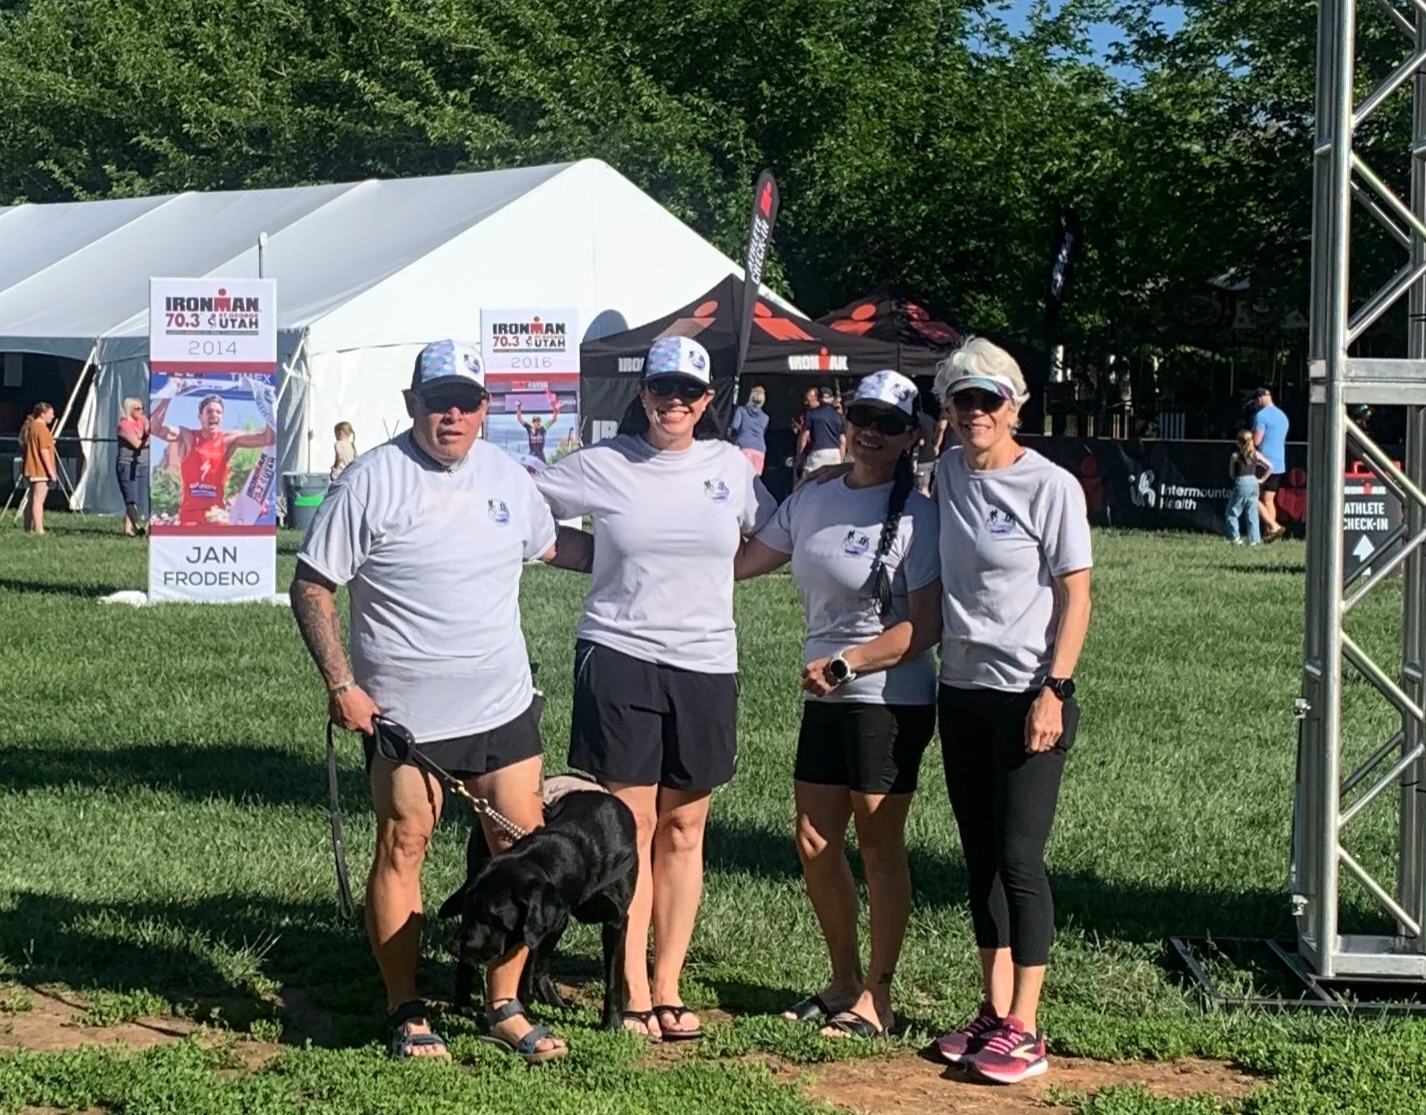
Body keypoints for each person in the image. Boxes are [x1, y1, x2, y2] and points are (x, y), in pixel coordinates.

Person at [290, 340, 581, 1065]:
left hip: (504, 707)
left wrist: (660, 553)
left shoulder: (508, 477)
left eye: (465, 401)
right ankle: (407, 1008)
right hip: (405, 721)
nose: (450, 414)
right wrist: (340, 684)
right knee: (404, 847)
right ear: (411, 404)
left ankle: (504, 1003)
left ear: (486, 408)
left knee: (520, 854)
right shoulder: (370, 479)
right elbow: (313, 584)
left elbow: (554, 549)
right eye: (436, 401)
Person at [533, 335, 777, 1043]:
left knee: (685, 828)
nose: (675, 401)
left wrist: (717, 580)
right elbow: (528, 510)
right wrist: (587, 556)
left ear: (707, 400)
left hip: (704, 661)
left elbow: (766, 538)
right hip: (620, 654)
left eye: (689, 391)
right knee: (631, 827)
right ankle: (631, 983)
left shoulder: (730, 466)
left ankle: (669, 982)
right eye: (661, 388)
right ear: (642, 395)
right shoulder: (605, 464)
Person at [735, 370, 941, 1040]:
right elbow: (744, 560)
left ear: (912, 434)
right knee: (815, 841)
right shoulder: (813, 496)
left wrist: (849, 663)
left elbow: (924, 627)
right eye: (863, 417)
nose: (872, 433)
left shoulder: (919, 513)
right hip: (825, 694)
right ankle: (843, 977)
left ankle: (878, 996)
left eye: (889, 422)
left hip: (888, 696)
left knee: (878, 845)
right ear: (844, 419)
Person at [929, 338, 1092, 1085]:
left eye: (987, 400)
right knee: (981, 858)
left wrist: (1054, 689)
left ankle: (1027, 1024)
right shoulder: (946, 475)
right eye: (962, 400)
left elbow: (1077, 595)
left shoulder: (1051, 485)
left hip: (1031, 695)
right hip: (960, 692)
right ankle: (994, 1011)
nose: (974, 413)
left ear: (1015, 406)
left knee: (1021, 858)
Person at [151, 386, 276, 526]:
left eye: (218, 412)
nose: (214, 415)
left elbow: (268, 439)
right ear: (200, 417)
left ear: (222, 417)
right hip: (190, 516)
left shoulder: (228, 440)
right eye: (209, 411)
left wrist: (269, 407)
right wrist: (169, 395)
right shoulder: (188, 437)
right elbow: (154, 428)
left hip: (216, 515)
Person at [1251, 387, 1289, 542]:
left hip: (1263, 462)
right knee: (1269, 499)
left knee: (1252, 497)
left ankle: (1273, 526)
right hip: (1279, 463)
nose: (1255, 405)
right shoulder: (1282, 416)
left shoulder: (1261, 416)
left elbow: (1257, 441)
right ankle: (1269, 533)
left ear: (1260, 399)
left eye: (1255, 401)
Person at [1225, 429, 1269, 546]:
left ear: (1239, 443)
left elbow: (1232, 474)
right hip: (1254, 482)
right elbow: (1270, 466)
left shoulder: (1235, 456)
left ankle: (1235, 538)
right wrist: (1262, 479)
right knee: (1252, 512)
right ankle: (1254, 540)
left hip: (1242, 481)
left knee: (1232, 512)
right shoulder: (1256, 454)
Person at [19, 402, 57, 535]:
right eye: (51, 414)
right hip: (40, 469)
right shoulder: (41, 429)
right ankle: (39, 529)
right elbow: (43, 451)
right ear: (43, 414)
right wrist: (51, 471)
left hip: (32, 467)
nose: (53, 416)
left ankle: (27, 527)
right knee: (38, 500)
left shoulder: (33, 427)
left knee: (32, 498)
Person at [116, 398, 150, 536]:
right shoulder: (123, 425)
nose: (141, 411)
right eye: (137, 409)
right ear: (129, 409)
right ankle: (136, 527)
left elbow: (150, 428)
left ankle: (128, 528)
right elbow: (137, 444)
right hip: (127, 464)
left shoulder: (143, 420)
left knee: (138, 498)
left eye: (142, 408)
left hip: (142, 464)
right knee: (130, 497)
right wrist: (149, 439)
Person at [798, 387, 846, 477]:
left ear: (819, 399)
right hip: (835, 453)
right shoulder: (839, 416)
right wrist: (841, 460)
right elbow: (843, 441)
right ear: (832, 399)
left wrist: (800, 457)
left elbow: (804, 437)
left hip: (818, 453)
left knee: (808, 482)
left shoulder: (811, 414)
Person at [730, 385, 771, 475]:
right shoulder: (766, 417)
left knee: (739, 476)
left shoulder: (741, 410)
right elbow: (763, 433)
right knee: (754, 480)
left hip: (743, 447)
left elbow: (735, 427)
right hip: (759, 450)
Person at [515, 393, 561, 463]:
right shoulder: (530, 428)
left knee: (543, 471)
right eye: (536, 421)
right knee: (530, 472)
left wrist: (555, 411)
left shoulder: (543, 428)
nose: (538, 423)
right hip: (532, 455)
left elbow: (553, 420)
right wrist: (518, 407)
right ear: (533, 422)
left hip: (541, 455)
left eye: (539, 421)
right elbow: (519, 419)